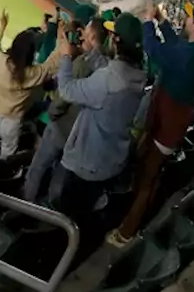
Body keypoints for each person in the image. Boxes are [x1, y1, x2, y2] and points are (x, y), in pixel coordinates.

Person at [112, 2, 194, 245]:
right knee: (146, 171)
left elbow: (156, 50)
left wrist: (149, 22)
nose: (187, 20)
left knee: (148, 177)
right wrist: (163, 21)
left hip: (167, 127)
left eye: (190, 17)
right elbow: (175, 45)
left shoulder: (190, 56)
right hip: (166, 123)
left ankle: (126, 232)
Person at [46, 15, 147, 222]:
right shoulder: (137, 73)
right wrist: (90, 51)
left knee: (65, 215)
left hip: (86, 164)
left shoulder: (109, 80)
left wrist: (66, 56)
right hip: (109, 160)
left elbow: (66, 90)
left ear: (116, 41)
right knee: (84, 211)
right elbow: (109, 70)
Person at [0, 10, 63, 175]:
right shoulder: (32, 73)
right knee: (6, 160)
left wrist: (2, 27)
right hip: (12, 124)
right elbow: (52, 64)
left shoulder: (1, 62)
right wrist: (61, 40)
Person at [24, 19, 109, 203]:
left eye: (86, 30)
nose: (82, 33)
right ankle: (50, 213)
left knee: (37, 168)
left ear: (92, 36)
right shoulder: (107, 65)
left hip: (63, 127)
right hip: (80, 136)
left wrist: (53, 115)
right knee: (60, 176)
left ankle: (24, 207)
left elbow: (62, 100)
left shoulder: (82, 63)